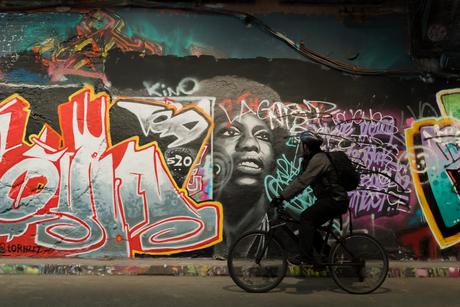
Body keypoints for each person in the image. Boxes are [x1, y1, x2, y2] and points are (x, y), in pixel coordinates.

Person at [271, 130, 349, 266]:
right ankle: (329, 255)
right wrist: (282, 196)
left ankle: (305, 258)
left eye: (301, 144)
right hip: (330, 200)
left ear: (306, 146)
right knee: (309, 226)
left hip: (335, 200)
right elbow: (299, 179)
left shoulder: (319, 159)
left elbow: (303, 182)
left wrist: (282, 197)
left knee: (306, 218)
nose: (300, 147)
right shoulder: (311, 160)